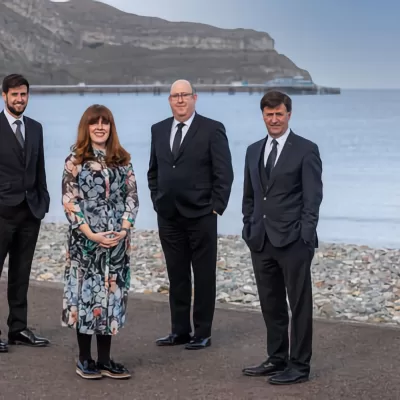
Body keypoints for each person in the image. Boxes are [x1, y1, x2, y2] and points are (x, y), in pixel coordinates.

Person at [241, 91, 323, 385]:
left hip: (294, 242)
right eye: (269, 114)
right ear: (262, 115)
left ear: (289, 114)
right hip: (261, 240)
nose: (274, 119)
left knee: (299, 304)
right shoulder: (253, 150)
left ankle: (299, 366)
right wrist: (247, 227)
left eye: (279, 114)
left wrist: (305, 235)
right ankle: (277, 358)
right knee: (271, 303)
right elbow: (249, 195)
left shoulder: (306, 149)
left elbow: (313, 199)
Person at [147, 79, 234, 350]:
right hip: (169, 215)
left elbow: (224, 173)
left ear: (195, 98)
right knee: (177, 275)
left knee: (204, 275)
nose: (180, 100)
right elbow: (154, 171)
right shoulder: (158, 130)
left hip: (201, 215)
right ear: (170, 100)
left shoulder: (212, 129)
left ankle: (202, 333)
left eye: (185, 95)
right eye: (175, 96)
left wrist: (216, 207)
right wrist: (157, 200)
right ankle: (179, 331)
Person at [61, 104, 139, 379]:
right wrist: (91, 234)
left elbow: (132, 197)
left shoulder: (122, 159)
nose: (100, 127)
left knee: (110, 298)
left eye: (105, 123)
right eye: (95, 123)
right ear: (87, 127)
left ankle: (105, 359)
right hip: (86, 242)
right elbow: (69, 201)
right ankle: (85, 359)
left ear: (111, 127)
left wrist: (124, 228)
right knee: (86, 296)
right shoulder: (75, 160)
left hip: (117, 242)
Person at [0, 74, 50, 353]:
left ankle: (18, 328)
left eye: (24, 94)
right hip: (2, 213)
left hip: (31, 211)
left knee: (21, 274)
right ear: (4, 95)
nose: (20, 99)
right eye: (15, 94)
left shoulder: (36, 128)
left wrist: (43, 202)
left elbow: (39, 168)